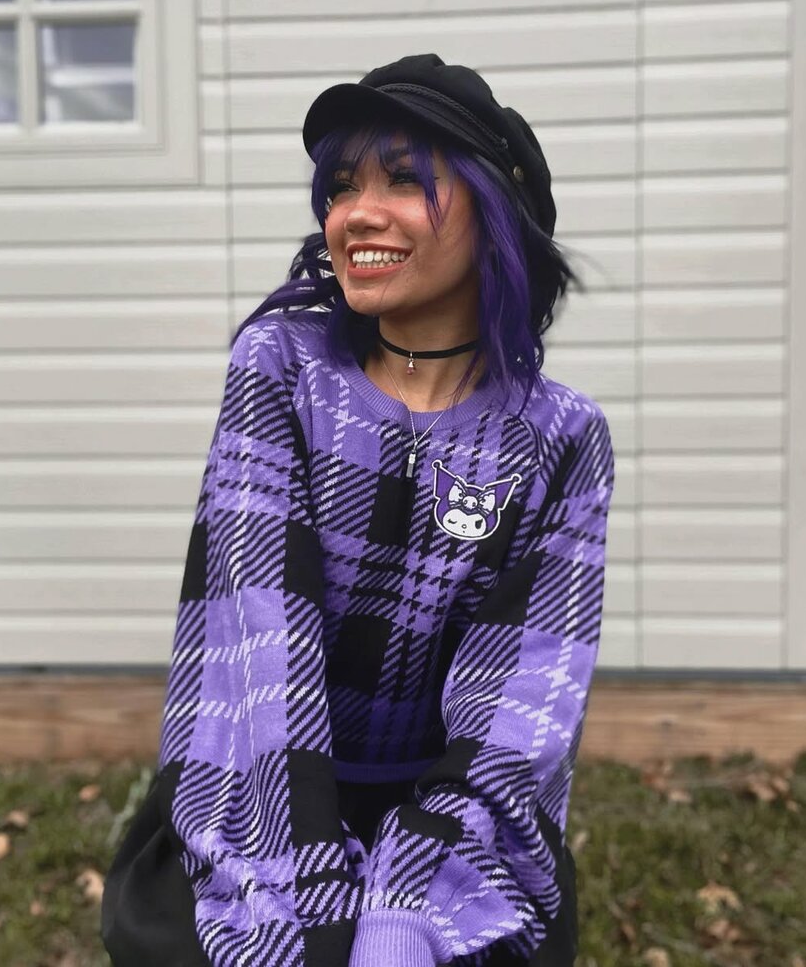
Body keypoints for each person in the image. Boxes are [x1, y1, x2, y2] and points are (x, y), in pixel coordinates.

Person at [101, 53, 615, 967]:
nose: (356, 214)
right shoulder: (282, 371)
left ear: (496, 211)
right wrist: (311, 883)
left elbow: (525, 703)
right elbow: (263, 641)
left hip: (454, 828)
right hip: (258, 795)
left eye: (405, 181)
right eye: (342, 187)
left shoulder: (560, 439)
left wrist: (411, 904)